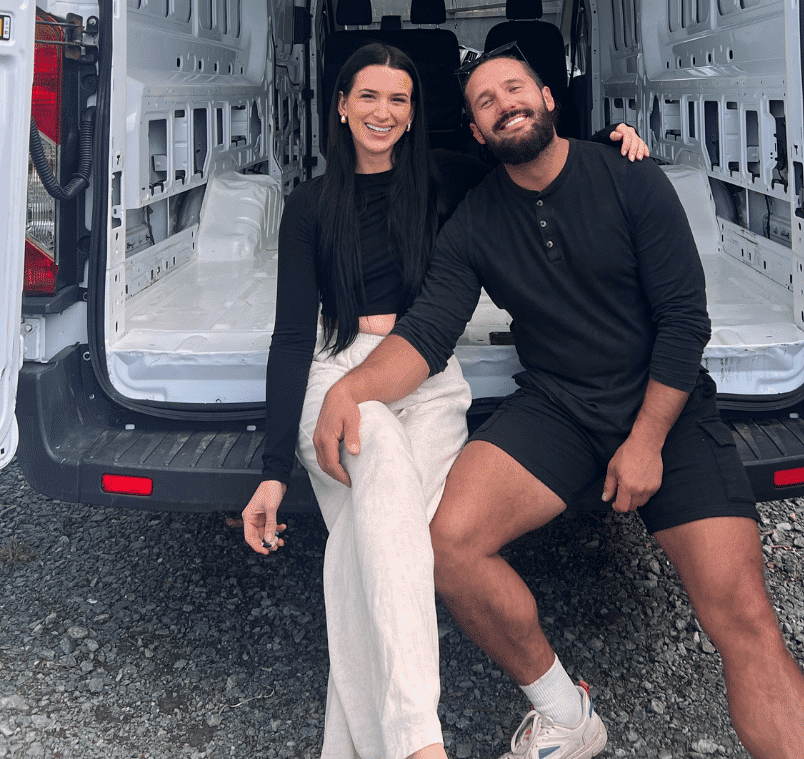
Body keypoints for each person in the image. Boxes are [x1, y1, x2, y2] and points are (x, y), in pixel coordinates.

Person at [310, 49, 804, 759]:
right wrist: (351, 388)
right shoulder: (474, 221)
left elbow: (685, 320)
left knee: (743, 618)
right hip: (557, 406)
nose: (504, 104)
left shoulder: (629, 177)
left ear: (550, 99)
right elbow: (429, 330)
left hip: (666, 412)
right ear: (475, 130)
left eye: (515, 88)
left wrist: (647, 439)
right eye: (486, 102)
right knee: (449, 545)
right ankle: (564, 712)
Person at [241, 41, 648, 759]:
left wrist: (608, 149)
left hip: (429, 376)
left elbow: (530, 154)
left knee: (374, 544)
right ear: (341, 106)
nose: (383, 112)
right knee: (387, 480)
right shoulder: (308, 206)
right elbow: (289, 337)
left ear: (412, 113)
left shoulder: (445, 179)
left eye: (399, 100)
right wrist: (275, 467)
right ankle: (418, 743)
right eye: (368, 96)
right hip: (340, 378)